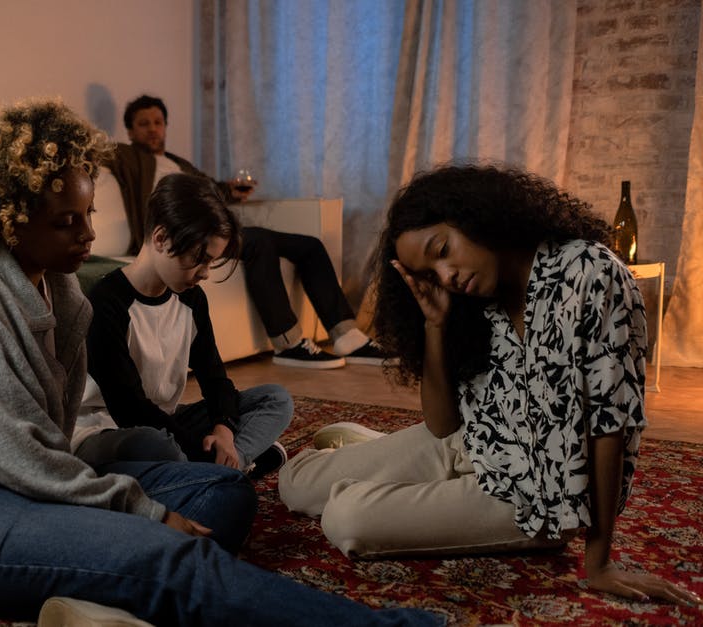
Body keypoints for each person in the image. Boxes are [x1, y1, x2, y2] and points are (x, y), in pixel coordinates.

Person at [0, 98, 442, 626]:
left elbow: (47, 448)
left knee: (223, 495)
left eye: (88, 212)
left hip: (28, 478)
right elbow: (22, 461)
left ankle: (96, 593)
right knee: (173, 555)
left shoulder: (61, 292)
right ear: (9, 217)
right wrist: (143, 515)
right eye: (67, 221)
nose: (89, 233)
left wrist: (136, 505)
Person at [277, 165, 701, 607]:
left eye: (443, 250)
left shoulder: (589, 275)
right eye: (431, 273)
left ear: (475, 216)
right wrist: (436, 324)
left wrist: (600, 563)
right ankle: (378, 458)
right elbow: (442, 427)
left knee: (345, 517)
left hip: (538, 495)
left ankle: (383, 471)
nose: (447, 275)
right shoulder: (476, 299)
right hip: (472, 442)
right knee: (295, 481)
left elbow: (609, 427)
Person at [106, 94, 388, 369]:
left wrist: (229, 189)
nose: (153, 129)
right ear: (130, 131)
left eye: (158, 122)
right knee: (260, 241)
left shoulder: (179, 164)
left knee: (310, 245)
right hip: (183, 235)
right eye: (144, 124)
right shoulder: (128, 156)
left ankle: (347, 335)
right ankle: (288, 344)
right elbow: (100, 153)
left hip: (210, 227)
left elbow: (208, 191)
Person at [75, 173, 293, 480]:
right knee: (154, 444)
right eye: (199, 259)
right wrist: (195, 444)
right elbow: (128, 407)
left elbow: (215, 378)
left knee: (276, 399)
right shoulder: (105, 302)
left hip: (164, 422)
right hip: (108, 429)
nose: (204, 273)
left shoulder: (192, 300)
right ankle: (219, 469)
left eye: (211, 263)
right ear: (161, 238)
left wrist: (224, 431)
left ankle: (226, 467)